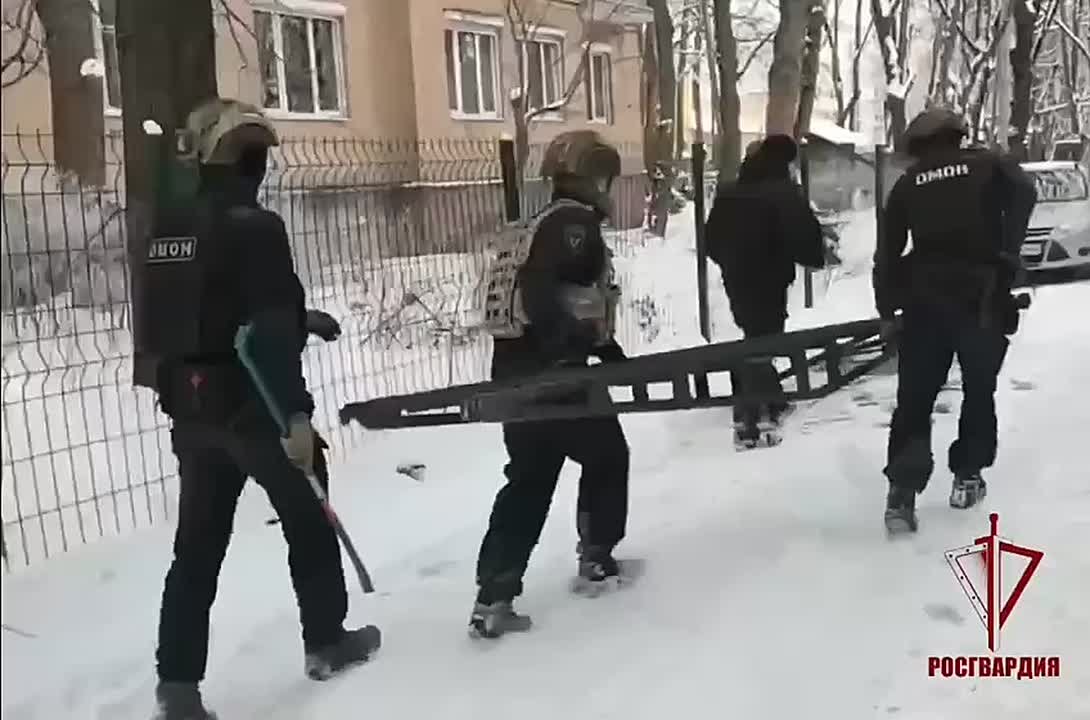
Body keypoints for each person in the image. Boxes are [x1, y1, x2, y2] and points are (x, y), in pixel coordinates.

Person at [141, 98, 379, 720]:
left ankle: (177, 684)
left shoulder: (168, 227)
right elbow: (266, 332)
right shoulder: (256, 227)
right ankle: (327, 639)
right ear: (251, 160)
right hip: (254, 404)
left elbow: (190, 313)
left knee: (196, 548)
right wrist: (295, 417)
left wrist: (302, 320)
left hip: (191, 408)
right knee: (309, 512)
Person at [471, 130, 631, 638]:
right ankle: (597, 557)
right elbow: (542, 291)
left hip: (514, 371)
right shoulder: (573, 224)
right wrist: (570, 345)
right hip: (556, 373)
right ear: (591, 177)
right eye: (603, 176)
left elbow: (564, 294)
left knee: (530, 477)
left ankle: (493, 596)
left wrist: (604, 348)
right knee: (608, 456)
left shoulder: (536, 224)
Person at [874, 107, 1037, 535]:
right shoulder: (988, 165)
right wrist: (1008, 250)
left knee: (915, 396)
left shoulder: (908, 183)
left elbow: (887, 253)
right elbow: (1026, 192)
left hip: (924, 301)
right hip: (981, 297)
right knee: (978, 389)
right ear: (956, 135)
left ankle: (902, 493)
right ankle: (967, 476)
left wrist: (886, 309)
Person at [704, 135, 826, 448]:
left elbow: (711, 239)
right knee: (764, 341)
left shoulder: (730, 192)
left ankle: (771, 402)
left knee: (756, 336)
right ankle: (752, 413)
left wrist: (731, 262)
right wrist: (812, 255)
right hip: (770, 278)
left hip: (738, 278)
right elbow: (802, 231)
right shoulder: (783, 192)